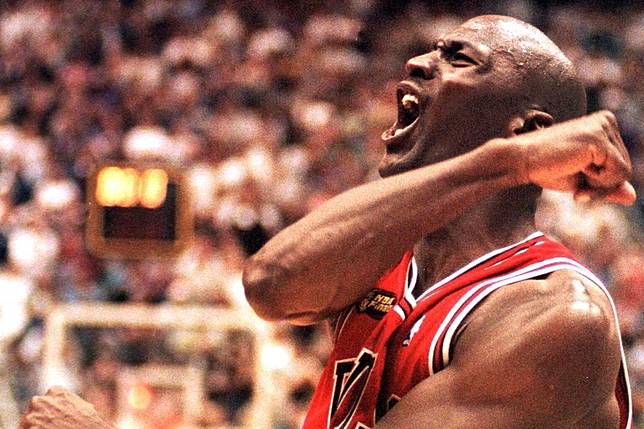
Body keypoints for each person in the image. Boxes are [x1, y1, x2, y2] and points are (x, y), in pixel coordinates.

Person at [19, 15, 634, 429]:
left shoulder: (557, 316)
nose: (419, 62)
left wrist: (509, 164)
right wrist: (508, 163)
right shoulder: (393, 254)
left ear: (526, 131)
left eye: (459, 59)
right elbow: (271, 285)